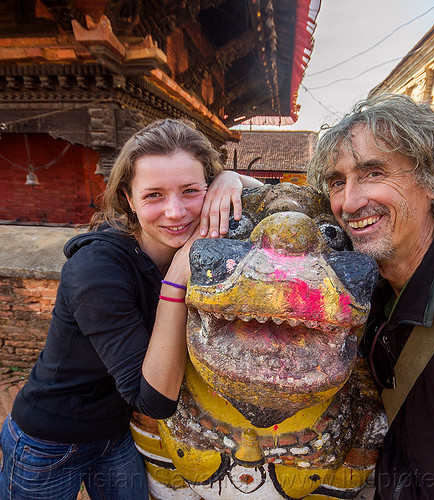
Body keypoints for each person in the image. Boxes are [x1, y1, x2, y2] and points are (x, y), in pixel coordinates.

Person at [0, 118, 262, 500]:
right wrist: (176, 279)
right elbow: (154, 400)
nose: (175, 212)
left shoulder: (195, 228)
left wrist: (231, 179)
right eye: (154, 195)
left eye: (190, 191)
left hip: (117, 432)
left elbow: (280, 197)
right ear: (129, 199)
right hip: (50, 440)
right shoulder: (96, 270)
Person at [308, 93, 434, 499]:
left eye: (374, 173)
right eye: (337, 182)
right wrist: (226, 180)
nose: (350, 202)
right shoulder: (371, 287)